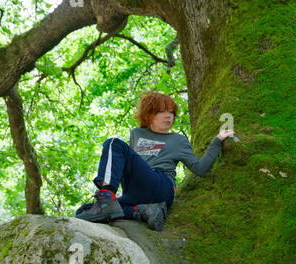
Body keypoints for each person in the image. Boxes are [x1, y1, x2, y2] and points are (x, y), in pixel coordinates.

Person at [75, 91, 236, 229]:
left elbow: (200, 169)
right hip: (135, 191)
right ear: (149, 115)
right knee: (84, 211)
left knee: (112, 144)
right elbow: (130, 165)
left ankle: (106, 196)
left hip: (161, 186)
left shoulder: (178, 140)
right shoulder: (136, 134)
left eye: (172, 112)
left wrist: (217, 141)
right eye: (162, 111)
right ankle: (143, 211)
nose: (169, 116)